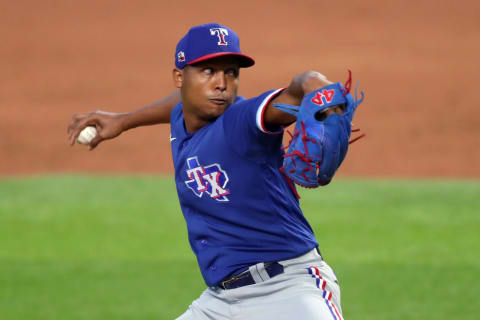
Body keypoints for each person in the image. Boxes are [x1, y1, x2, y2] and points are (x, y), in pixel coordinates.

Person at [68, 23, 348, 320]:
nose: (221, 83)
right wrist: (123, 121)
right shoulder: (185, 116)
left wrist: (311, 81)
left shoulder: (241, 122)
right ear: (179, 77)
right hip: (221, 302)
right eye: (208, 71)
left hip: (288, 291)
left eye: (230, 72)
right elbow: (178, 105)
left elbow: (292, 95)